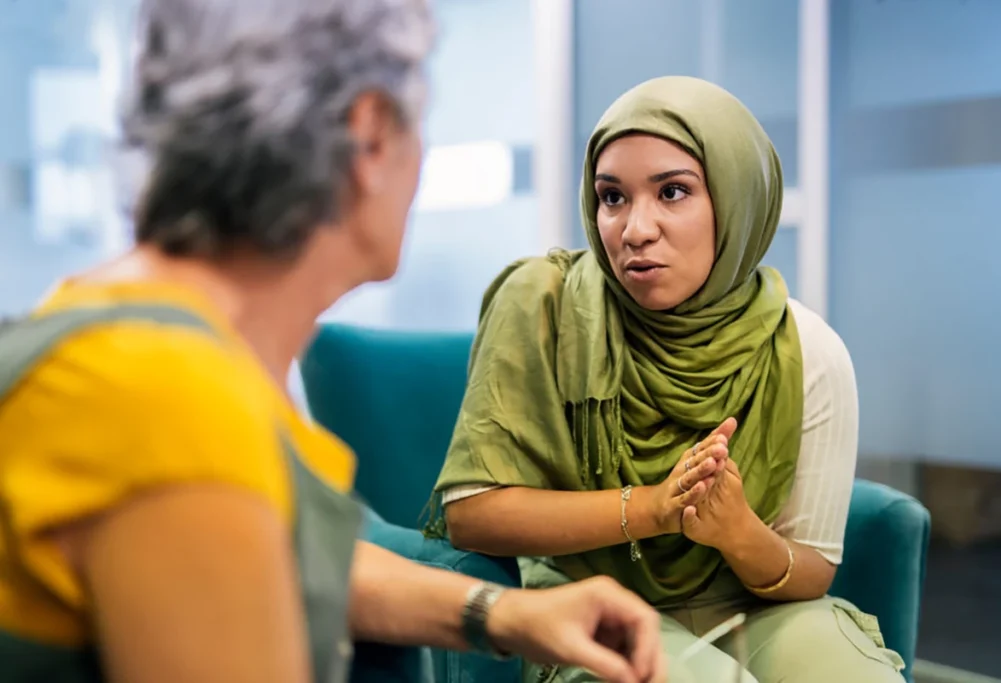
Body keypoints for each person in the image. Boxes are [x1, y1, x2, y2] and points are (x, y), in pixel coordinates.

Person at [0, 2, 668, 682]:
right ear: (371, 136)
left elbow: (284, 553)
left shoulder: (122, 328)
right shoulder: (173, 400)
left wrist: (501, 612)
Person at [430, 76, 908, 683]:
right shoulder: (542, 306)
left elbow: (808, 572)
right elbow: (474, 515)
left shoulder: (805, 350)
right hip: (580, 595)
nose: (634, 230)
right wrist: (655, 507)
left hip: (748, 608)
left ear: (738, 199)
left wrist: (737, 530)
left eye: (673, 192)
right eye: (612, 198)